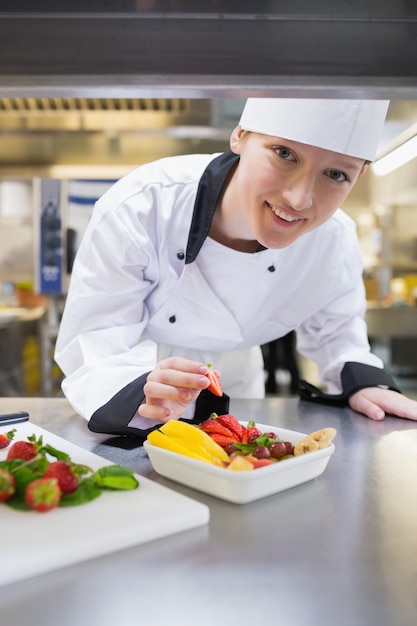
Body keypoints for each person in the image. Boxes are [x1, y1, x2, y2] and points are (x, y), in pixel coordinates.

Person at [55, 97, 417, 438]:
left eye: (337, 175)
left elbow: (338, 333)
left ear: (361, 176)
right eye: (284, 153)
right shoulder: (142, 205)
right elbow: (97, 336)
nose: (299, 198)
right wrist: (137, 391)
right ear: (240, 135)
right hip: (141, 374)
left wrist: (366, 384)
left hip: (241, 380)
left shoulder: (334, 238)